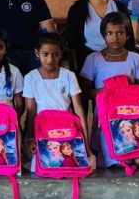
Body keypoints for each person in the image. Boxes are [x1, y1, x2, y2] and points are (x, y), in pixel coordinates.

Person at [80, 12, 139, 168]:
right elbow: (84, 93)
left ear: (127, 35)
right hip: (106, 116)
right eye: (110, 33)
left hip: (131, 114)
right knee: (114, 159)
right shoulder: (93, 59)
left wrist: (127, 88)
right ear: (103, 36)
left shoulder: (136, 58)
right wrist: (107, 90)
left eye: (120, 33)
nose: (115, 37)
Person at [24, 33, 91, 169]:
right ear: (37, 53)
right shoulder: (30, 77)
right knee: (44, 164)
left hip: (67, 129)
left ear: (61, 55)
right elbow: (31, 112)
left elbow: (78, 108)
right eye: (45, 54)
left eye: (55, 54)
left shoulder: (69, 76)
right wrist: (31, 139)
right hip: (43, 129)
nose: (50, 59)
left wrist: (85, 139)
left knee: (70, 163)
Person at [65, 0, 135, 72]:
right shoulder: (76, 10)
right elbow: (73, 43)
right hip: (89, 64)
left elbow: (129, 40)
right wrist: (99, 60)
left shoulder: (120, 7)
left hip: (119, 61)